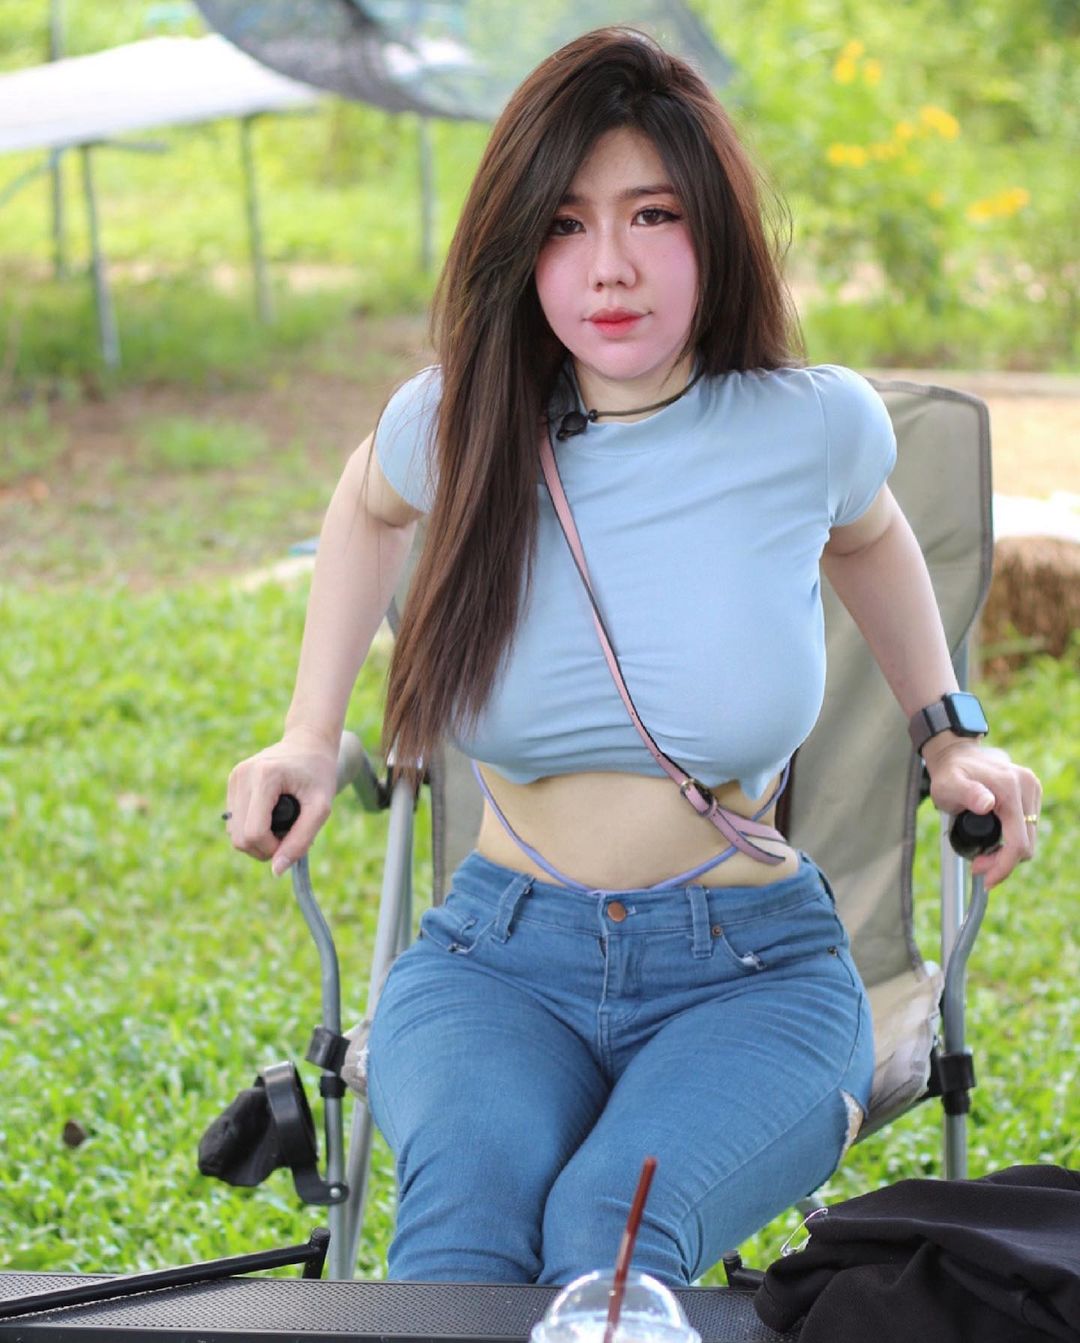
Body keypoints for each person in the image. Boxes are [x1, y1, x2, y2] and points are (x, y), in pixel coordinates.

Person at [226, 28, 1042, 1287]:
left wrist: (948, 730)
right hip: (497, 961)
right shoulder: (460, 423)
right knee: (462, 1239)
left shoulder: (810, 425)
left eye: (652, 215)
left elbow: (873, 536)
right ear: (520, 248)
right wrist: (305, 729)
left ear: (714, 230)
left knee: (612, 1233)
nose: (609, 265)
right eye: (565, 224)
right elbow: (366, 504)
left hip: (755, 971)